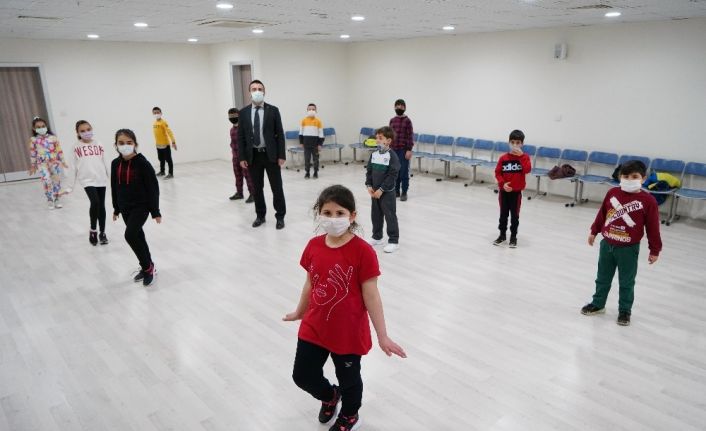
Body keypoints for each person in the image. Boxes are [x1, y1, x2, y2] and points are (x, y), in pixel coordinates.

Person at [284, 184, 406, 431]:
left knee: (349, 381)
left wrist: (383, 336)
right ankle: (330, 396)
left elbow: (372, 296)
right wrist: (299, 311)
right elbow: (310, 283)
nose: (333, 219)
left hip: (347, 331)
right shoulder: (313, 246)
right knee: (302, 375)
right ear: (319, 213)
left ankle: (350, 415)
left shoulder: (363, 252)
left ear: (352, 216)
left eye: (340, 213)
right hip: (314, 325)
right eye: (327, 213)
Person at [581, 160, 662, 326]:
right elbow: (603, 213)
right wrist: (594, 231)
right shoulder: (612, 193)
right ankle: (598, 304)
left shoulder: (648, 201)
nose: (629, 179)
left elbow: (653, 227)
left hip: (628, 249)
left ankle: (625, 311)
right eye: (625, 176)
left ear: (643, 178)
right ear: (620, 177)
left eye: (634, 176)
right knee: (602, 278)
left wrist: (655, 250)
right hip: (607, 245)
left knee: (626, 282)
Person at [110, 129, 161, 286]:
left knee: (130, 235)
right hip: (125, 207)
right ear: (116, 145)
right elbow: (114, 187)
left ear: (135, 144)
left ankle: (147, 268)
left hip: (141, 206)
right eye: (121, 143)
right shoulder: (115, 164)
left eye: (129, 142)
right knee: (139, 236)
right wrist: (116, 208)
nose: (125, 145)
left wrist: (155, 211)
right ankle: (148, 265)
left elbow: (153, 188)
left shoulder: (143, 163)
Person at [237, 79, 287, 229]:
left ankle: (280, 216)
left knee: (277, 188)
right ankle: (260, 215)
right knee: (257, 189)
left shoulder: (273, 110)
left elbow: (280, 134)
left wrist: (281, 155)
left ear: (264, 92)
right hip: (253, 156)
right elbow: (241, 137)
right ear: (249, 92)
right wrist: (242, 157)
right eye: (254, 89)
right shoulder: (243, 113)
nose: (257, 91)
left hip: (271, 155)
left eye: (260, 89)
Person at [68, 120, 111, 245]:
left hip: (100, 179)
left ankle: (102, 233)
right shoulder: (75, 147)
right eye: (82, 131)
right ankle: (93, 230)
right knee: (95, 202)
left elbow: (106, 161)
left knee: (101, 206)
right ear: (78, 133)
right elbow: (72, 167)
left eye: (88, 129)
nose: (86, 132)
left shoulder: (99, 144)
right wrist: (69, 187)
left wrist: (113, 179)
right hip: (86, 180)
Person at [492, 129, 532, 248]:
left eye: (518, 142)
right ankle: (502, 235)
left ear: (522, 144)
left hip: (516, 193)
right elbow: (497, 173)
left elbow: (527, 170)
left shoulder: (525, 157)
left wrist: (521, 157)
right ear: (509, 143)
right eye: (512, 142)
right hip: (504, 192)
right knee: (503, 215)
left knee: (515, 216)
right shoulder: (503, 158)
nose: (515, 145)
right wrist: (502, 183)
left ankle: (513, 237)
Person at [366, 126, 401, 253]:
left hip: (387, 192)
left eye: (380, 138)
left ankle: (393, 241)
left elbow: (392, 175)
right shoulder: (374, 155)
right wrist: (369, 185)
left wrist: (381, 189)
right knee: (375, 215)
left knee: (390, 216)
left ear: (388, 141)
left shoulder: (392, 156)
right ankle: (377, 237)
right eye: (377, 138)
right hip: (375, 192)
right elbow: (369, 171)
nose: (377, 140)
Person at [28, 116, 68, 209]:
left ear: (46, 126)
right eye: (38, 127)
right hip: (42, 163)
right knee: (46, 180)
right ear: (34, 128)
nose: (41, 128)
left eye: (43, 126)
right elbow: (33, 153)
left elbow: (59, 150)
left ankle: (57, 198)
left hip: (54, 162)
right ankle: (50, 199)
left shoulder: (53, 138)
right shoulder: (33, 140)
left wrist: (63, 161)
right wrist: (33, 165)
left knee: (56, 180)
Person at [388, 99, 414, 201]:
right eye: (397, 106)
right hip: (393, 150)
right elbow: (389, 136)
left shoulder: (408, 121)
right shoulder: (392, 120)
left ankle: (404, 192)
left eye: (401, 106)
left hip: (403, 150)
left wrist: (409, 150)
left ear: (404, 108)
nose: (399, 107)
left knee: (403, 172)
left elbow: (410, 136)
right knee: (395, 172)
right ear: (394, 107)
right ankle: (396, 191)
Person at [227, 108, 254, 202]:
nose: (232, 118)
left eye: (234, 115)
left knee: (248, 176)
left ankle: (253, 194)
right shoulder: (231, 130)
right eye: (230, 116)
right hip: (235, 157)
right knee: (237, 176)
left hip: (244, 157)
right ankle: (239, 193)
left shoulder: (244, 128)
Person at [299, 103, 324, 179]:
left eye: (313, 109)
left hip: (315, 145)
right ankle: (307, 172)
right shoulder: (303, 121)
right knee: (307, 159)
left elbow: (321, 134)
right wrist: (301, 142)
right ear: (307, 110)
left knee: (316, 159)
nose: (311, 111)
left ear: (316, 111)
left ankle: (315, 172)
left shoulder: (318, 121)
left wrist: (320, 144)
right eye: (309, 109)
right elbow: (301, 132)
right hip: (306, 144)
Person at [152, 106, 176, 179]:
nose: (156, 114)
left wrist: (173, 141)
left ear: (161, 113)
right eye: (155, 113)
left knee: (168, 159)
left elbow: (169, 132)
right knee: (161, 159)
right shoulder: (154, 123)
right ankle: (162, 171)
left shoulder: (163, 122)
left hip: (165, 145)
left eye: (158, 112)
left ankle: (170, 173)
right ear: (153, 114)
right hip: (158, 145)